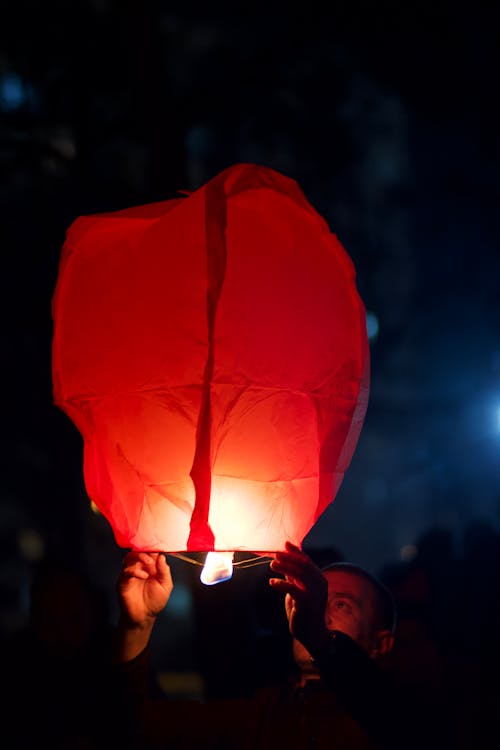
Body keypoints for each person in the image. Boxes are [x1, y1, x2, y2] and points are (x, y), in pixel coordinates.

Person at [108, 542, 455, 750]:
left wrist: (318, 636)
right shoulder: (265, 713)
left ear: (381, 644)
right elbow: (137, 729)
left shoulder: (399, 711)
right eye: (310, 598)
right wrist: (138, 626)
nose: (315, 609)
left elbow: (392, 715)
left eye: (340, 604)